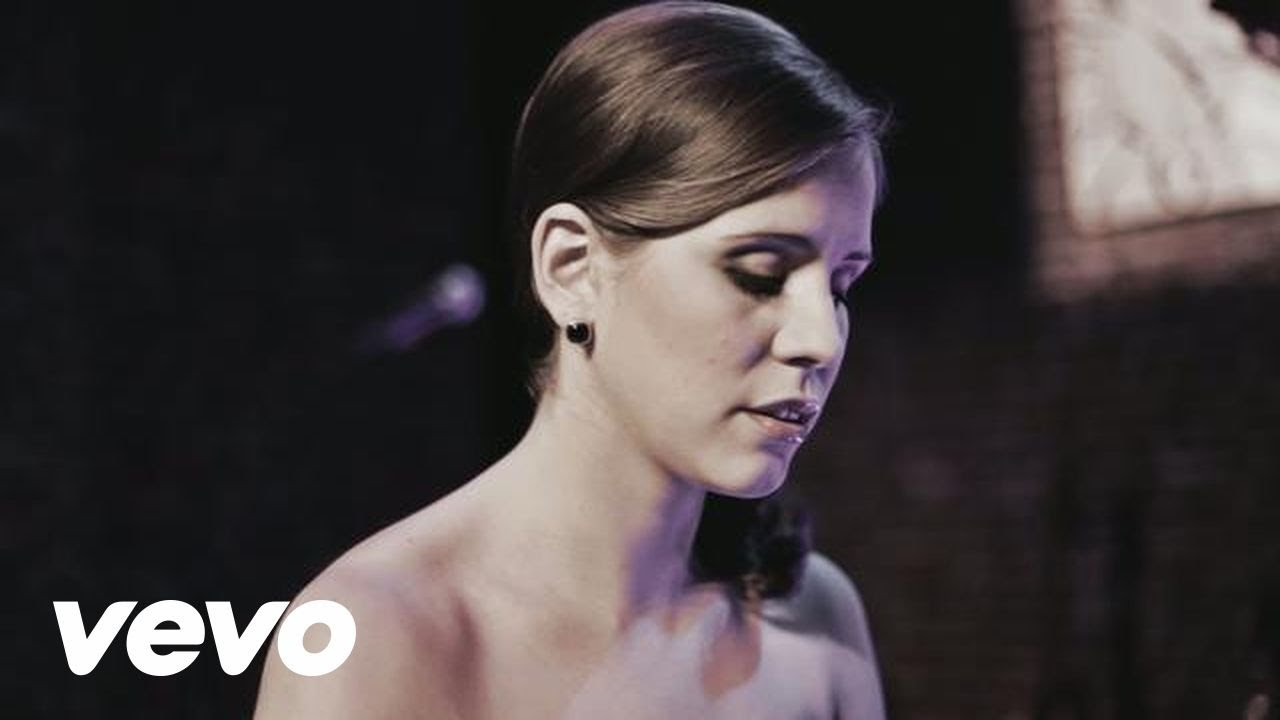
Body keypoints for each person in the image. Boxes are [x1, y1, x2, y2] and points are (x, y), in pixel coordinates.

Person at [254, 2, 887, 717]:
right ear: (571, 267)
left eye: (841, 286)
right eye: (760, 275)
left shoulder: (811, 617)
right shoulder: (378, 638)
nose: (821, 339)